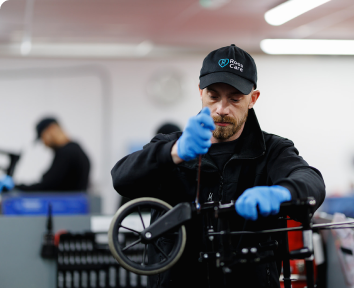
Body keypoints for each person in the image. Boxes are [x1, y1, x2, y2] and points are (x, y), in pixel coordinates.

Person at [111, 44, 326, 288]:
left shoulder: (273, 150)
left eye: (235, 99)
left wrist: (282, 193)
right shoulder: (169, 146)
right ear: (200, 92)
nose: (222, 109)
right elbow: (121, 178)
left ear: (253, 99)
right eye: (213, 96)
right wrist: (174, 153)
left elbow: (312, 182)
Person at [1, 117, 90, 192]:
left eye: (43, 137)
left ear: (51, 129)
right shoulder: (76, 149)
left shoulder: (67, 153)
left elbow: (47, 186)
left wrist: (16, 187)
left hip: (65, 209)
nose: (44, 143)